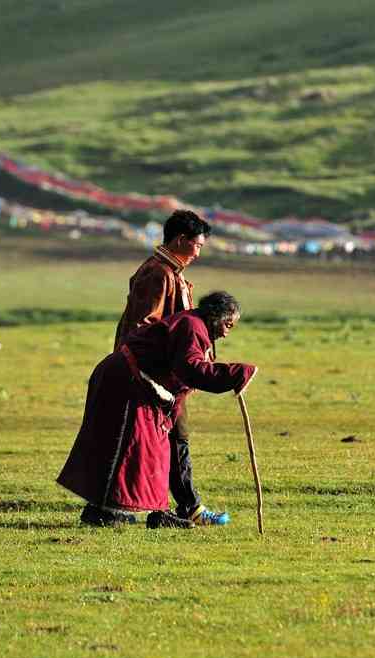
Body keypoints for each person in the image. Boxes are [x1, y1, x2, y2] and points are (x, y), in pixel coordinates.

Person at [58, 291, 257, 528]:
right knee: (122, 447)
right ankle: (103, 512)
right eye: (227, 324)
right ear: (215, 315)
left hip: (133, 383)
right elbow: (190, 369)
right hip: (125, 383)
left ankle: (153, 511)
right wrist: (237, 373)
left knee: (154, 449)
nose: (226, 333)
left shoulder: (193, 325)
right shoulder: (191, 327)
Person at [113, 209, 227, 526]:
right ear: (180, 240)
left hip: (166, 376)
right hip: (153, 376)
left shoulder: (170, 273)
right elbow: (143, 329)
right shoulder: (159, 274)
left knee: (164, 440)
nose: (199, 253)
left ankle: (163, 507)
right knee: (171, 440)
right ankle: (183, 508)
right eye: (198, 245)